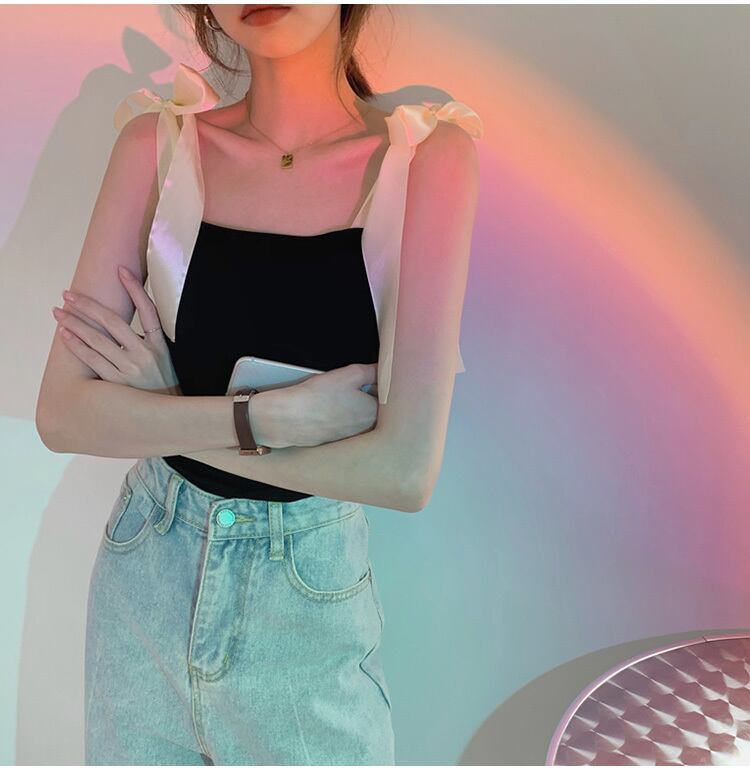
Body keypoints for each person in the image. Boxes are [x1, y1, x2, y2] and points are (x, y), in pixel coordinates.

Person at [36, 3, 482, 764]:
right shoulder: (157, 146)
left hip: (305, 607)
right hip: (146, 579)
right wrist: (266, 419)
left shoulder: (425, 160)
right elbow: (63, 415)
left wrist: (167, 412)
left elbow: (404, 473)